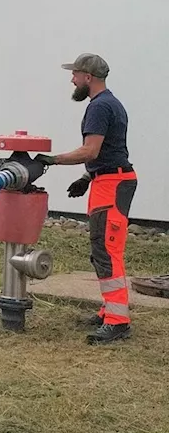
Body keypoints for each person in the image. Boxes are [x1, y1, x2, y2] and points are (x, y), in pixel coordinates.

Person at [37, 53, 136, 344]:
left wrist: (52, 161)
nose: (72, 79)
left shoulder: (100, 106)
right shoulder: (108, 103)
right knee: (101, 248)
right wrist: (86, 177)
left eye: (75, 74)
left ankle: (118, 321)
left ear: (88, 78)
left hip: (112, 183)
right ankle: (109, 310)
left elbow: (90, 151)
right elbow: (108, 151)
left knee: (107, 250)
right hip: (106, 180)